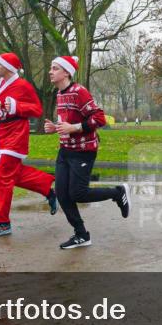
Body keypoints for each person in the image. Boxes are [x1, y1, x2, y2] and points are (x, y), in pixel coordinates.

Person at [43, 56, 130, 249]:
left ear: (66, 72)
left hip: (83, 151)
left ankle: (117, 192)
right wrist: (54, 128)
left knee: (78, 193)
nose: (50, 71)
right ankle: (81, 234)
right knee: (62, 194)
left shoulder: (79, 92)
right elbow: (66, 123)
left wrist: (73, 128)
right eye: (51, 68)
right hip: (65, 151)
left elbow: (99, 118)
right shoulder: (59, 93)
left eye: (55, 68)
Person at [0, 53, 58, 239]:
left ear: (9, 67)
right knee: (12, 174)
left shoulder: (23, 86)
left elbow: (37, 109)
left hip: (17, 134)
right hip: (2, 134)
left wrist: (17, 106)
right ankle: (48, 189)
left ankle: (2, 222)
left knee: (3, 175)